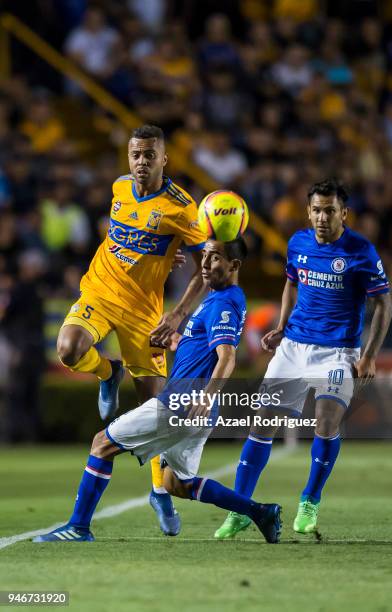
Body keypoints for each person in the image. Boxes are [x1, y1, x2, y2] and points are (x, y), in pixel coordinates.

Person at [33, 238, 282, 544]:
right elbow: (207, 349)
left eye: (215, 258)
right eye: (204, 256)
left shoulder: (223, 302)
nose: (204, 264)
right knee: (178, 483)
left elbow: (227, 356)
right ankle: (261, 512)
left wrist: (207, 395)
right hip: (195, 409)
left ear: (234, 266)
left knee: (102, 444)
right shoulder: (223, 296)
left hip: (182, 403)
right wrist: (179, 342)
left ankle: (78, 527)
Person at [214, 179, 392, 539]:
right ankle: (241, 508)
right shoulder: (297, 243)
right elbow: (291, 283)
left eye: (329, 210)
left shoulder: (361, 250)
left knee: (326, 422)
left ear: (344, 213)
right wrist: (281, 325)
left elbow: (384, 304)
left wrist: (370, 355)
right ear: (308, 211)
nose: (322, 217)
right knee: (260, 425)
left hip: (338, 351)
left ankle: (310, 499)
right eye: (316, 210)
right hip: (294, 346)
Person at [56, 124, 206, 535]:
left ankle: (159, 490)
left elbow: (206, 269)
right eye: (136, 154)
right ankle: (108, 372)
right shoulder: (119, 188)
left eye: (149, 155)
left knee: (153, 411)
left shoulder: (182, 208)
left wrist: (177, 315)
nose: (141, 162)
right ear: (129, 157)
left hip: (145, 314)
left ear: (164, 159)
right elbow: (127, 238)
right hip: (100, 292)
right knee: (68, 349)